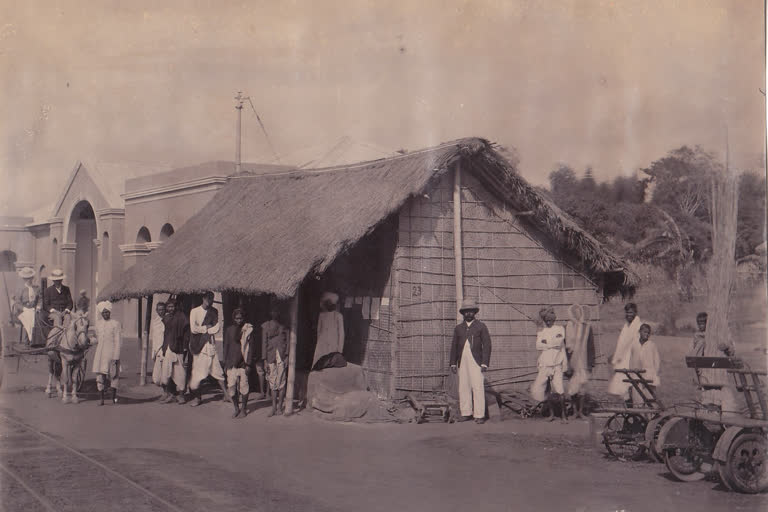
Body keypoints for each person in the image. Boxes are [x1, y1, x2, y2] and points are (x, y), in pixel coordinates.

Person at [449, 298, 492, 424]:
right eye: (466, 311)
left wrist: (484, 363)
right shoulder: (458, 328)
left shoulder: (481, 326)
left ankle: (479, 415)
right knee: (463, 387)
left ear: (475, 312)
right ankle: (466, 413)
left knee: (477, 386)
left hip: (476, 361)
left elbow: (487, 345)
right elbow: (454, 346)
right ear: (463, 313)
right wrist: (453, 363)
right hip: (463, 360)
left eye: (471, 311)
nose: (468, 314)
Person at [188, 292, 228, 407]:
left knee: (218, 370)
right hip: (198, 345)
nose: (209, 300)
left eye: (211, 299)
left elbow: (217, 328)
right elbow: (193, 329)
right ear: (203, 298)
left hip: (210, 345)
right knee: (198, 373)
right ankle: (197, 398)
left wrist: (207, 330)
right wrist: (206, 327)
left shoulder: (214, 311)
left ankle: (226, 395)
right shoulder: (194, 311)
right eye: (207, 298)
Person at [531, 306, 569, 423]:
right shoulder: (542, 331)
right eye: (546, 320)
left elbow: (558, 343)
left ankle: (564, 415)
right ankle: (551, 414)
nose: (548, 322)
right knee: (545, 389)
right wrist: (549, 344)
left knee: (559, 389)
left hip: (557, 363)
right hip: (545, 363)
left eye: (550, 320)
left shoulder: (560, 329)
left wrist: (546, 343)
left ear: (554, 319)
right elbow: (538, 345)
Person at [608, 303, 642, 406]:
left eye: (631, 312)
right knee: (624, 385)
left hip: (633, 358)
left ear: (635, 313)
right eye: (627, 312)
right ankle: (629, 407)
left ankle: (635, 407)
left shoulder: (639, 326)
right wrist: (615, 355)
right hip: (624, 358)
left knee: (633, 385)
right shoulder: (626, 326)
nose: (628, 314)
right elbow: (621, 344)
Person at [565, 304, 595, 419]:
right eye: (575, 312)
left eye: (579, 312)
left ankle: (581, 412)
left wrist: (591, 363)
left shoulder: (587, 327)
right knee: (573, 387)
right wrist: (567, 364)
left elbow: (591, 346)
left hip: (583, 361)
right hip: (572, 363)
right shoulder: (568, 327)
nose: (577, 314)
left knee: (582, 387)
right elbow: (566, 348)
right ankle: (574, 411)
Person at [223, 309, 254, 418]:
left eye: (240, 318)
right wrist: (226, 364)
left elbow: (250, 349)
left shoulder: (248, 330)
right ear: (233, 319)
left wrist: (248, 364)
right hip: (231, 363)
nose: (239, 320)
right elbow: (226, 347)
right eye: (237, 318)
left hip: (243, 364)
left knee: (244, 387)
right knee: (231, 388)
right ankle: (236, 408)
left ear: (244, 318)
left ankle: (244, 409)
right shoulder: (229, 330)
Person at [92, 301, 122, 405]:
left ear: (110, 312)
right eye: (103, 313)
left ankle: (114, 398)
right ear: (101, 314)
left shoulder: (115, 324)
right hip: (100, 354)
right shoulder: (98, 324)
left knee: (114, 376)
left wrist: (116, 356)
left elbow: (118, 340)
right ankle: (101, 399)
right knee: (100, 377)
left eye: (107, 312)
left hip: (111, 353)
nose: (105, 314)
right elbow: (97, 338)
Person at [160, 300, 190, 404]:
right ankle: (171, 394)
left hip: (178, 347)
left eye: (172, 306)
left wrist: (185, 346)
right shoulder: (167, 318)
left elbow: (186, 334)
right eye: (169, 307)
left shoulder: (182, 317)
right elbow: (165, 334)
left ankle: (181, 395)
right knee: (167, 371)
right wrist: (164, 347)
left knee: (179, 371)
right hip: (168, 347)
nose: (170, 309)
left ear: (176, 306)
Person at [263, 306, 289, 417]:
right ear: (270, 312)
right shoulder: (265, 326)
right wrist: (264, 360)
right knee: (272, 382)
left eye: (277, 311)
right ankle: (273, 407)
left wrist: (287, 356)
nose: (275, 313)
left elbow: (288, 342)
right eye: (273, 311)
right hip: (270, 356)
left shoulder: (284, 327)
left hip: (282, 357)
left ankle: (279, 407)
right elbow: (264, 343)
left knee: (282, 382)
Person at [313, 292, 344, 367]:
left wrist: (339, 349)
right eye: (327, 302)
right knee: (320, 364)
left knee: (331, 364)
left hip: (333, 344)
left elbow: (341, 333)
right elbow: (319, 331)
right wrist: (319, 344)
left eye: (330, 303)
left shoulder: (338, 316)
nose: (329, 304)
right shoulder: (321, 315)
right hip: (322, 344)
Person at [633, 324, 660, 401]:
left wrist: (653, 374)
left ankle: (650, 412)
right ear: (640, 332)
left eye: (648, 333)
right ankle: (638, 412)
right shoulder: (634, 344)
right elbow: (631, 359)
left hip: (649, 375)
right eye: (645, 332)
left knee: (649, 398)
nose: (647, 334)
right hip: (636, 375)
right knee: (637, 398)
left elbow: (656, 362)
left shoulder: (652, 345)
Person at [14, 267, 40, 345]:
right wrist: (24, 308)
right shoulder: (20, 289)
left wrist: (38, 306)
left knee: (38, 316)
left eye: (30, 278)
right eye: (26, 278)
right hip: (22, 311)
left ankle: (38, 340)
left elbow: (40, 299)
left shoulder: (36, 288)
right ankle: (30, 339)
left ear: (32, 278)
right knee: (29, 315)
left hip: (34, 310)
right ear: (24, 279)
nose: (28, 280)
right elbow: (17, 303)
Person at [43, 268, 73, 333]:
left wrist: (66, 310)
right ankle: (56, 336)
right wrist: (54, 311)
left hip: (64, 312)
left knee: (68, 318)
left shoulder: (66, 289)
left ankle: (66, 335)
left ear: (62, 280)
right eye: (56, 280)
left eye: (59, 280)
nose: (58, 282)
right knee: (57, 318)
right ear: (53, 281)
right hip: (53, 313)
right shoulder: (48, 290)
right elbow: (46, 305)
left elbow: (70, 303)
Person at [149, 301, 167, 400]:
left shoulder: (168, 319)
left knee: (166, 374)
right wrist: (153, 353)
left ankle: (166, 393)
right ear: (156, 310)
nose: (161, 311)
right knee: (156, 377)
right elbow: (154, 338)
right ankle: (166, 392)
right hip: (157, 351)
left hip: (166, 350)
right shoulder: (155, 321)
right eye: (159, 310)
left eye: (162, 309)